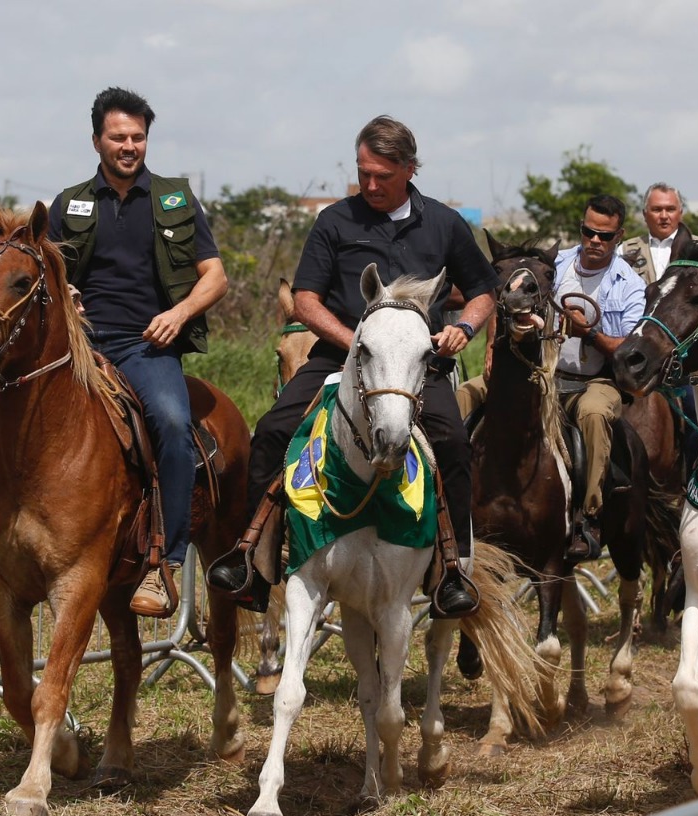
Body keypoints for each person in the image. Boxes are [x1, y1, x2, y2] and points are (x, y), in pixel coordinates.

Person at [0, 87, 228, 618]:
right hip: (78, 349)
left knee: (174, 425)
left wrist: (178, 315)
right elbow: (40, 272)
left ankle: (164, 562)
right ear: (97, 141)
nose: (129, 146)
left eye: (138, 136)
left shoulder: (175, 199)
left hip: (145, 347)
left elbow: (215, 277)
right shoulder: (68, 203)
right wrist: (70, 296)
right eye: (118, 137)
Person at [209, 115, 497, 617]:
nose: (369, 184)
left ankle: (454, 569)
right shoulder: (335, 220)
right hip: (339, 354)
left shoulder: (445, 224)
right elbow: (305, 301)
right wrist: (356, 344)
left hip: (414, 367)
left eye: (381, 176)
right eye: (363, 172)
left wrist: (464, 329)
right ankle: (253, 562)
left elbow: (483, 291)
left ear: (409, 169)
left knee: (452, 440)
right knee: (274, 430)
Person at [456, 195, 647, 560]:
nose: (594, 241)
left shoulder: (630, 284)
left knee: (593, 415)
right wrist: (493, 348)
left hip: (594, 381)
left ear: (619, 236)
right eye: (588, 231)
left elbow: (630, 349)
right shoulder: (550, 265)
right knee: (464, 395)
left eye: (604, 236)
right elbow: (503, 296)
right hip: (538, 373)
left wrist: (588, 333)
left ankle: (588, 517)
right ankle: (445, 499)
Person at [619, 183, 691, 284]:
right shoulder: (625, 250)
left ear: (680, 213)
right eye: (657, 209)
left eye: (670, 209)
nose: (664, 216)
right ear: (645, 214)